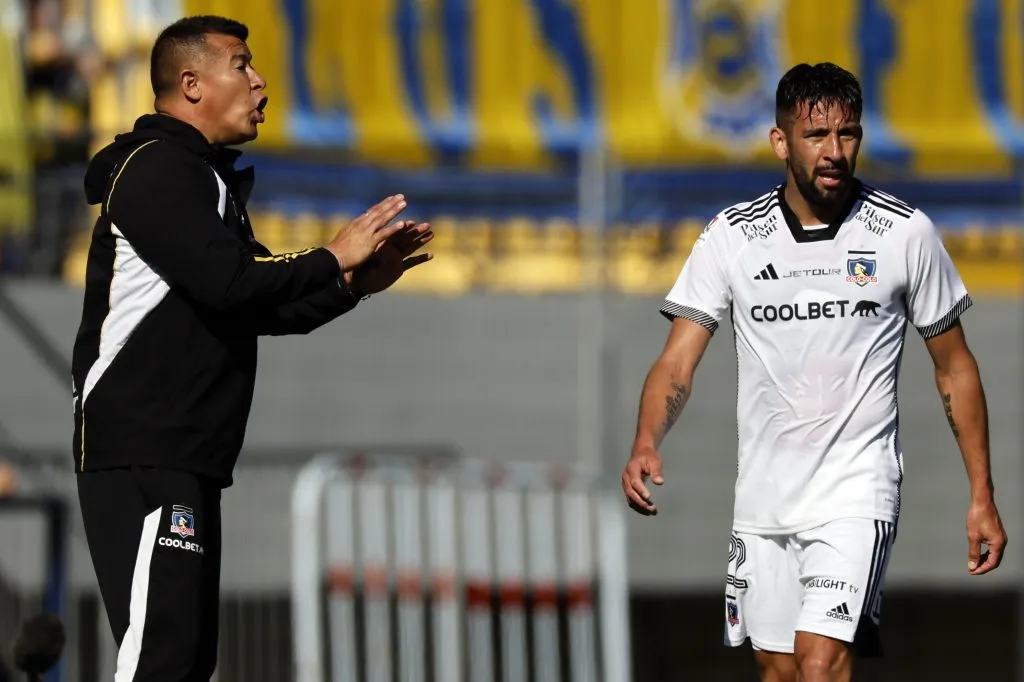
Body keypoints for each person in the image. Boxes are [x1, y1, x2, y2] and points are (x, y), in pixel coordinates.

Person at [71, 15, 433, 682]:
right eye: (241, 64)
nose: (260, 81)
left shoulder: (201, 179)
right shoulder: (156, 170)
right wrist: (331, 255)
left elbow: (263, 304)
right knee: (162, 656)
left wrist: (354, 282)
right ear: (191, 83)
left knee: (184, 660)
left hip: (182, 453)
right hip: (144, 449)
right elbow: (233, 283)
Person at [621, 62, 1007, 682]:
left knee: (820, 663)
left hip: (857, 488)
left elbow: (954, 368)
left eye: (847, 134)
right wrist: (646, 441)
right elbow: (677, 360)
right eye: (816, 136)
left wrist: (981, 494)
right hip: (765, 497)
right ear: (781, 142)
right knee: (781, 671)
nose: (834, 152)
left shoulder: (903, 234)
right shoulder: (732, 237)